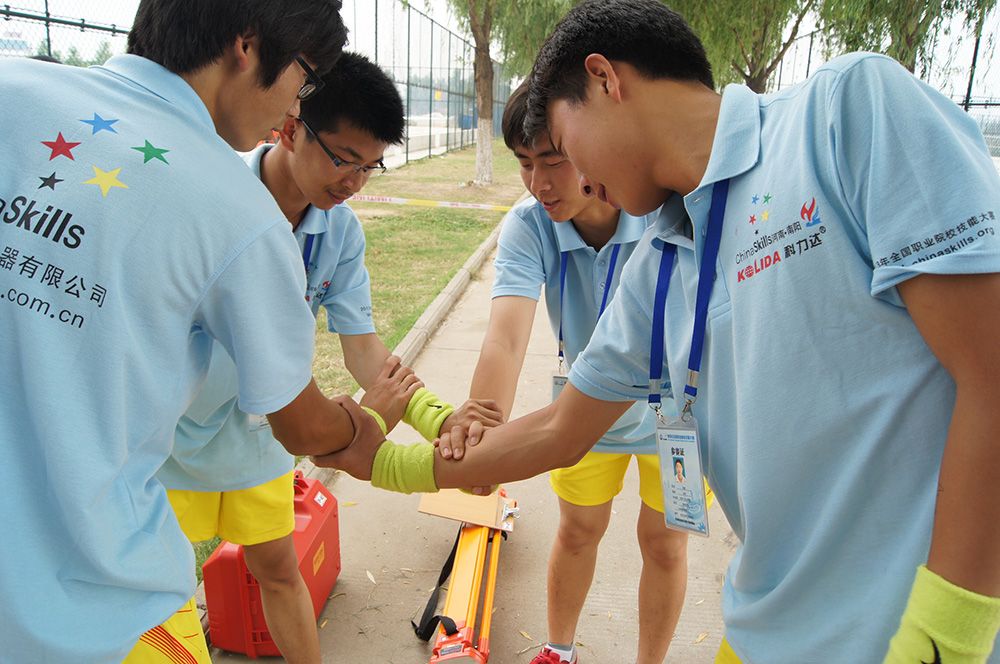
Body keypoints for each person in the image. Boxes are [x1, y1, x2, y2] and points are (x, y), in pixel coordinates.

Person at [314, 1, 1000, 663]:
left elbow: (991, 373)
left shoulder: (844, 113)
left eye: (564, 148)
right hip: (765, 631)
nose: (572, 180)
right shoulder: (663, 262)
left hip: (922, 633)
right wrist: (385, 464)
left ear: (605, 80)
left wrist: (943, 639)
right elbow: (559, 430)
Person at [0, 1, 362, 661]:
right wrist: (360, 427)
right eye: (304, 79)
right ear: (247, 47)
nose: (293, 106)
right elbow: (304, 428)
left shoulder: (11, 88)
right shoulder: (240, 213)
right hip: (100, 617)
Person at [157, 52, 502, 664]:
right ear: (290, 127)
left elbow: (364, 350)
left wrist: (441, 421)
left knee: (278, 570)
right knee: (163, 590)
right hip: (172, 440)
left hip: (264, 433)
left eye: (370, 167)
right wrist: (369, 422)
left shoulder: (340, 234)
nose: (354, 183)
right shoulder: (217, 199)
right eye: (344, 159)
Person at [463, 80, 687, 664]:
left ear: (590, 142)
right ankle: (558, 650)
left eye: (553, 161)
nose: (538, 183)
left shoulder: (664, 210)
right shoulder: (529, 225)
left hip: (678, 415)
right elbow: (505, 337)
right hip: (584, 408)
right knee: (578, 530)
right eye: (524, 163)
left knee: (665, 543)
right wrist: (483, 428)